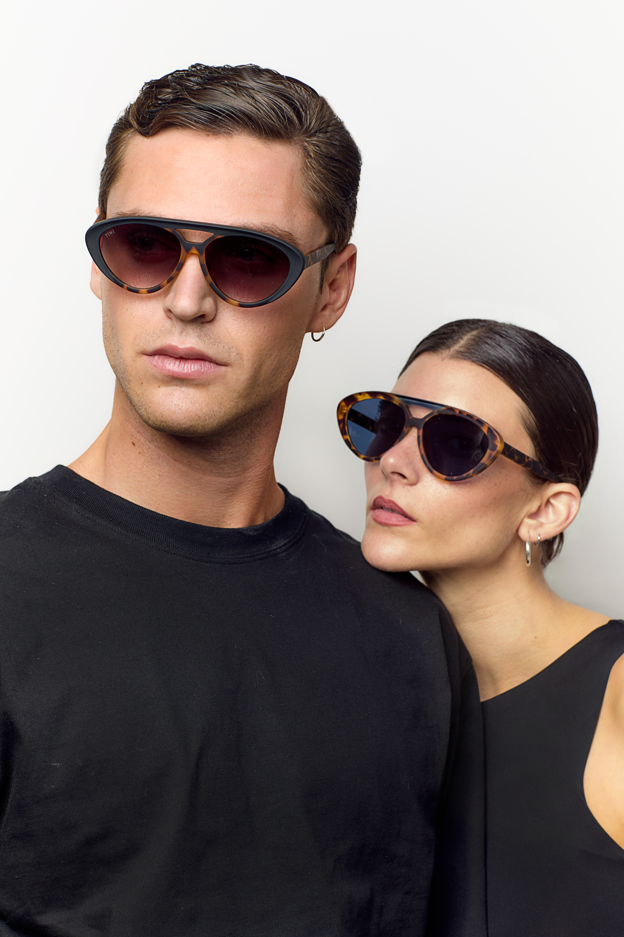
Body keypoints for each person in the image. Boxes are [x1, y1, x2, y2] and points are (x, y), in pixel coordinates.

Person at [0, 66, 483, 936]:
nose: (187, 302)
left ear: (331, 287)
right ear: (101, 264)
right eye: (146, 246)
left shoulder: (411, 637)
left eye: (250, 259)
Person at [337, 317, 624, 936]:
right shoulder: (362, 691)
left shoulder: (618, 693)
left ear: (545, 511)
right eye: (385, 424)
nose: (393, 462)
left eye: (455, 444)